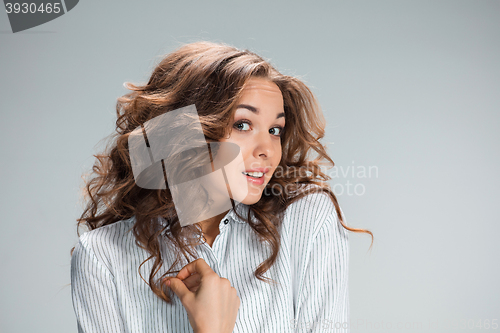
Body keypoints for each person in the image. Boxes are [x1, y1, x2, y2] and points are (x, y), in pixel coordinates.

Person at [70, 41, 373, 333]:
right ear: (185, 131)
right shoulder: (101, 257)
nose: (267, 149)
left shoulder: (307, 219)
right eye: (242, 124)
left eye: (275, 130)